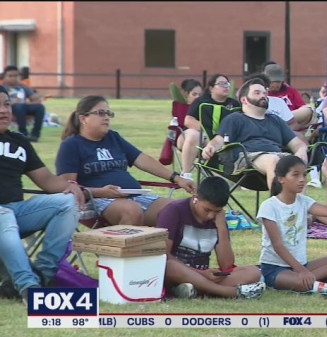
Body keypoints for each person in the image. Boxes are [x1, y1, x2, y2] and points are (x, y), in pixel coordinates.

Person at [55, 95, 195, 228]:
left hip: (135, 197)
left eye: (108, 114)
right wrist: (100, 192)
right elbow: (67, 187)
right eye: (100, 113)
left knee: (177, 209)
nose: (106, 118)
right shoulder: (71, 145)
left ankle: (165, 253)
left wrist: (177, 178)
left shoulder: (113, 138)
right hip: (95, 201)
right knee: (132, 211)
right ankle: (121, 252)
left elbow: (142, 159)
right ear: (83, 119)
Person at [0, 86, 85, 304]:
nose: (4, 111)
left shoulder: (18, 142)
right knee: (4, 216)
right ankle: (29, 286)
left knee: (67, 203)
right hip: (4, 217)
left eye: (7, 105)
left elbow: (46, 180)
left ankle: (44, 274)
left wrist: (71, 187)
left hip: (15, 211)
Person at [257, 155, 327, 291]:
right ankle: (311, 281)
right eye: (296, 175)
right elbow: (278, 245)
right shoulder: (269, 206)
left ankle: (308, 279)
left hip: (301, 265)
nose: (302, 180)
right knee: (300, 283)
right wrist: (301, 271)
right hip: (275, 268)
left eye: (304, 175)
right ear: (281, 179)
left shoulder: (303, 201)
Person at [157, 176, 265, 299]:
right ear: (195, 197)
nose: (210, 216)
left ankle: (195, 290)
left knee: (253, 272)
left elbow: (227, 264)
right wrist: (200, 273)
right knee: (171, 266)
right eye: (207, 210)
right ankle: (228, 292)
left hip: (205, 276)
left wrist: (222, 228)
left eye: (216, 211)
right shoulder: (174, 211)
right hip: (177, 273)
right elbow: (163, 255)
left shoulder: (218, 219)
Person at [201, 78, 308, 191]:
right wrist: (210, 147)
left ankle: (298, 207)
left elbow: (297, 144)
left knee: (295, 164)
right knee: (273, 160)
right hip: (248, 157)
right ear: (244, 100)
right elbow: (219, 140)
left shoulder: (275, 120)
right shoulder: (235, 119)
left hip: (277, 156)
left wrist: (301, 151)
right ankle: (278, 206)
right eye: (257, 93)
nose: (263, 95)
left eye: (264, 93)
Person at [181, 74, 241, 181]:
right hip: (195, 139)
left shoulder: (234, 104)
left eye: (227, 84)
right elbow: (188, 120)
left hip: (221, 143)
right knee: (194, 135)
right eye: (221, 84)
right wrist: (208, 133)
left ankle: (240, 177)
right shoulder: (201, 101)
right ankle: (186, 175)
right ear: (211, 88)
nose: (226, 86)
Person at [263, 64, 315, 136]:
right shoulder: (261, 92)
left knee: (307, 110)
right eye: (272, 82)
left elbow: (302, 108)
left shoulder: (290, 91)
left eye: (278, 82)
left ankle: (285, 128)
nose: (275, 85)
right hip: (270, 118)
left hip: (291, 118)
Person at [1, 65, 45, 142]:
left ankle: (35, 134)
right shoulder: (2, 88)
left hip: (24, 106)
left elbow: (35, 98)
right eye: (10, 76)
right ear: (4, 77)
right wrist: (12, 102)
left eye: (16, 76)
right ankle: (23, 133)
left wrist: (31, 101)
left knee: (40, 107)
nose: (14, 78)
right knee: (20, 107)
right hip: (9, 108)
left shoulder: (23, 87)